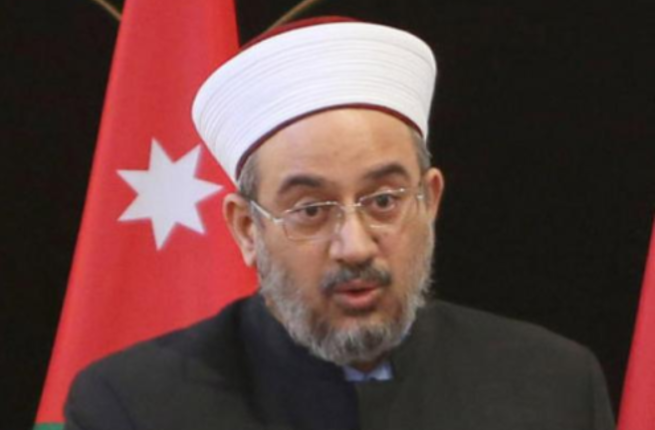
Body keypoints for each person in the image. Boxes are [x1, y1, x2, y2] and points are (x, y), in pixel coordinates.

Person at [64, 17, 615, 430]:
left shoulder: (552, 385)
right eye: (311, 210)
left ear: (429, 200)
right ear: (247, 229)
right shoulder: (131, 407)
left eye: (383, 201)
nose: (354, 247)